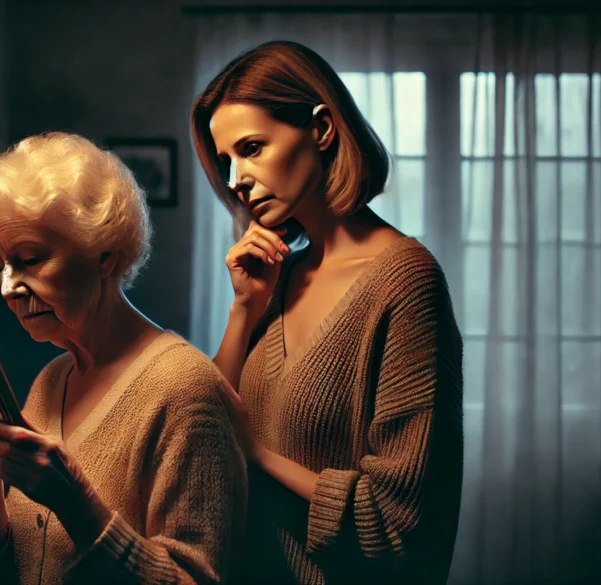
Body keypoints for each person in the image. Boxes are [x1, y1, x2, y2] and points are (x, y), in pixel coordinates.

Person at [190, 40, 464, 584]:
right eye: (225, 161)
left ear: (321, 129)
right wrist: (245, 307)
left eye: (251, 148)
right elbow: (208, 424)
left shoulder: (406, 281)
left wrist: (257, 454)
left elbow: (403, 521)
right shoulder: (282, 271)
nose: (235, 179)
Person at [0, 132, 247, 585]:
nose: (8, 287)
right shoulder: (51, 381)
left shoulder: (184, 391)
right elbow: (18, 567)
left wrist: (77, 501)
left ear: (104, 255)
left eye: (29, 258)